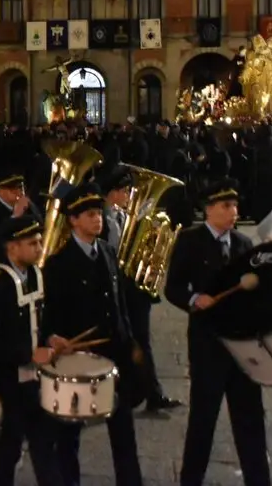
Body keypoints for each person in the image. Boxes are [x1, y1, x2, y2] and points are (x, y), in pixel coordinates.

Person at [164, 179, 270, 486]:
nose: (234, 211)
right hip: (208, 345)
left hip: (242, 347)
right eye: (226, 206)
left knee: (250, 420)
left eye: (235, 205)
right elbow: (173, 287)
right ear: (209, 209)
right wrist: (195, 300)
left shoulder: (243, 244)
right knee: (203, 421)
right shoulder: (190, 240)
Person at [41, 183, 145, 486]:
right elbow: (50, 316)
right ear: (73, 220)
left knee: (123, 430)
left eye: (99, 213)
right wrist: (52, 340)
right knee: (69, 431)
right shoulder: (58, 265)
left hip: (115, 353)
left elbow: (119, 301)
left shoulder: (109, 252)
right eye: (89, 214)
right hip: (79, 358)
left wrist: (131, 340)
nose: (97, 219)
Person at [0, 217, 62, 486]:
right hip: (5, 382)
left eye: (39, 241)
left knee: (45, 447)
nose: (40, 247)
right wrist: (28, 355)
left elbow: (40, 321)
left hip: (36, 380)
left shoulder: (35, 274)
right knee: (8, 449)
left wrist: (51, 338)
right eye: (32, 243)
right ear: (12, 248)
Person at [100, 165, 181, 413]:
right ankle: (119, 392)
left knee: (142, 340)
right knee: (118, 342)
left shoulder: (126, 216)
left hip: (135, 290)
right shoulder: (100, 218)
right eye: (124, 191)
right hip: (112, 290)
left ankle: (152, 393)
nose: (128, 195)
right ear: (112, 193)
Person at [0, 168, 42, 263]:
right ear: (0, 191)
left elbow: (41, 226)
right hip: (6, 265)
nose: (19, 192)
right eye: (13, 189)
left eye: (21, 187)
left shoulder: (28, 206)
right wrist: (14, 217)